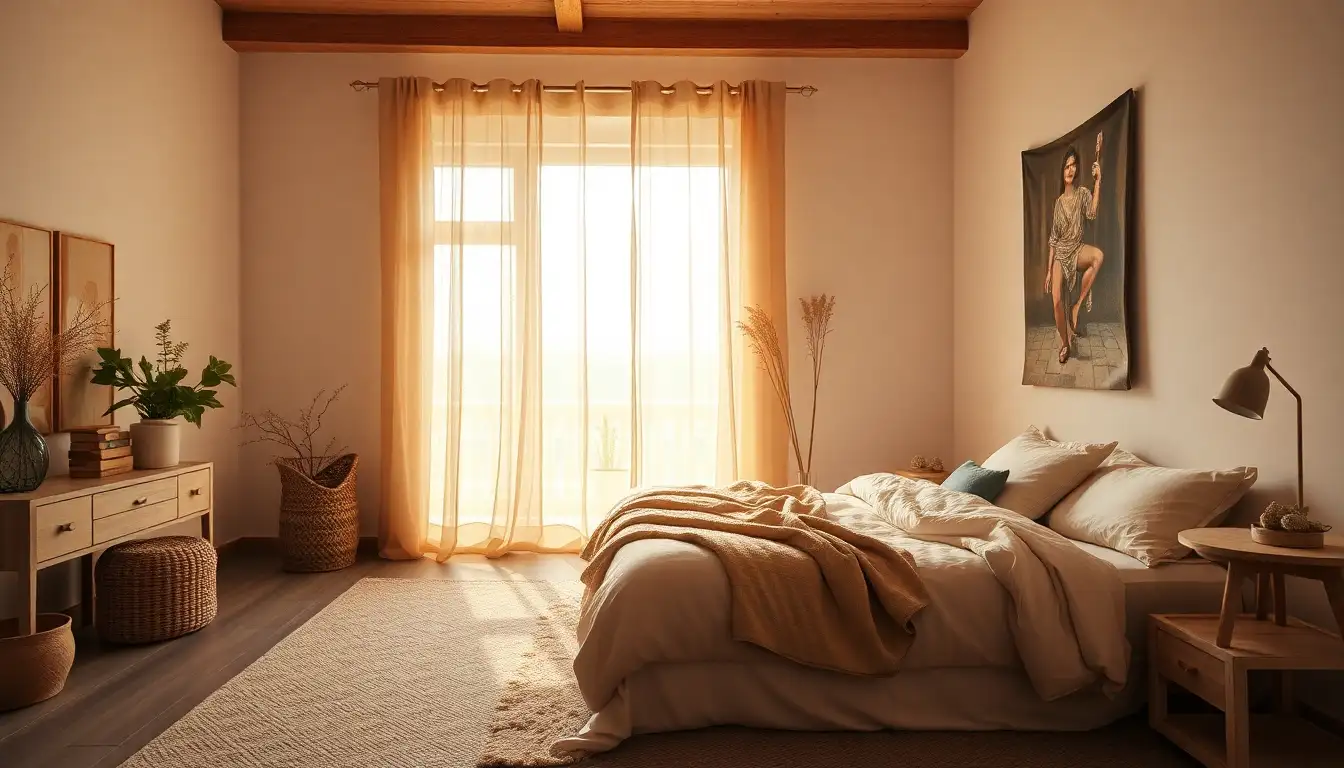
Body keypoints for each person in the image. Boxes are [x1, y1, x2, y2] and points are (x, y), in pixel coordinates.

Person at [1043, 144, 1104, 364]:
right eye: (1067, 166)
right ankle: (1065, 344)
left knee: (1098, 257)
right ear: (1062, 170)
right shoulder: (1058, 203)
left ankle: (1077, 305)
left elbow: (1092, 212)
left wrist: (1097, 181)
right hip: (1060, 253)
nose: (1070, 170)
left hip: (1076, 248)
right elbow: (1053, 239)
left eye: (1074, 165)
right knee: (1056, 301)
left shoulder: (1082, 194)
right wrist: (1049, 271)